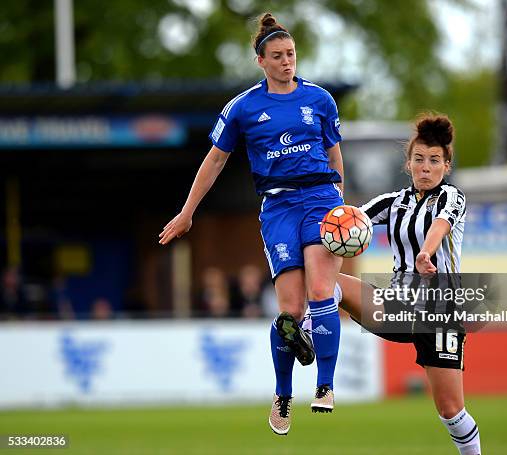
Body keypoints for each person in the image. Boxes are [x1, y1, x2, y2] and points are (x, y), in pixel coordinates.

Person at [158, 12, 345, 435]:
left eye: (291, 54)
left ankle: (326, 386)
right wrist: (188, 212)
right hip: (278, 208)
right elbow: (215, 161)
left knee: (320, 290)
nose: (286, 61)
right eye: (277, 56)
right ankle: (282, 396)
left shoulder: (320, 100)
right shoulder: (243, 107)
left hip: (320, 200)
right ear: (260, 60)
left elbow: (335, 158)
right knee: (289, 311)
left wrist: (343, 209)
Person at [335, 114, 482, 455]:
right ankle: (309, 335)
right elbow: (351, 220)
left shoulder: (451, 197)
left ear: (446, 166)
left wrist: (426, 253)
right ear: (409, 164)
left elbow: (440, 225)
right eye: (419, 159)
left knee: (450, 410)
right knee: (329, 282)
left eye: (434, 161)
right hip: (398, 305)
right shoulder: (394, 202)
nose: (425, 167)